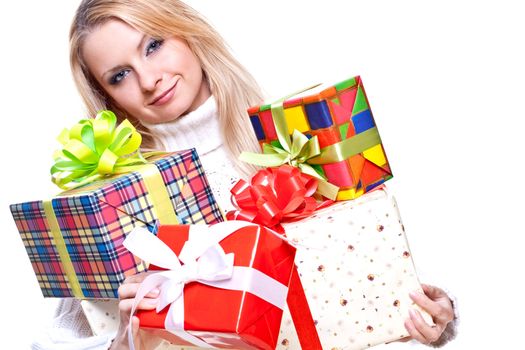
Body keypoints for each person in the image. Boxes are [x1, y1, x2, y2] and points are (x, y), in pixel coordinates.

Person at [34, 0, 458, 349]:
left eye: (153, 45)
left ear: (187, 31)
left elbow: (358, 265)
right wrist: (124, 343)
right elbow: (53, 341)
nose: (148, 79)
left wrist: (431, 313)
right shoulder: (117, 203)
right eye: (119, 75)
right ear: (106, 95)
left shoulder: (297, 137)